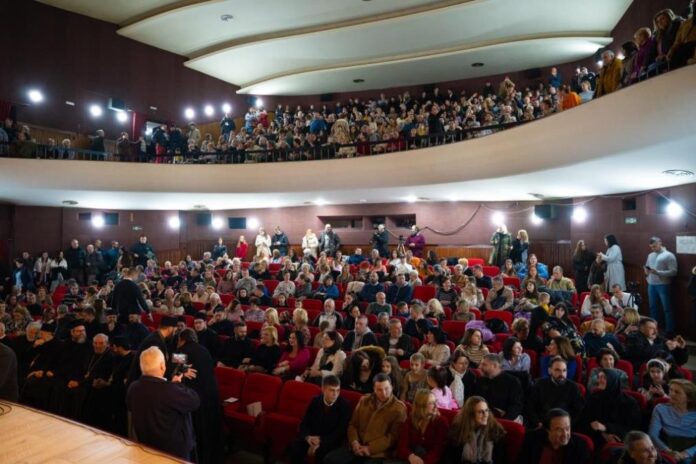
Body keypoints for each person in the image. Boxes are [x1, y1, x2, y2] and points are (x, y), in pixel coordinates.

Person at [126, 346, 200, 460]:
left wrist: (172, 386)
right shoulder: (170, 390)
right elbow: (195, 401)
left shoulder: (133, 387)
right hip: (173, 453)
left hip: (146, 447)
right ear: (162, 366)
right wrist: (177, 385)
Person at [324, 373, 407, 463]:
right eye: (379, 390)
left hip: (376, 454)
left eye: (386, 389)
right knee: (329, 460)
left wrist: (369, 448)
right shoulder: (364, 400)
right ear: (374, 389)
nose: (383, 393)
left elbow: (392, 437)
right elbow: (353, 424)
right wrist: (354, 442)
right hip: (355, 447)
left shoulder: (399, 408)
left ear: (391, 387)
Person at [175, 328, 224, 464]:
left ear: (182, 340)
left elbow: (173, 370)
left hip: (195, 396)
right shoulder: (204, 349)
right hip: (211, 395)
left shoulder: (181, 351)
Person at [289, 375, 352, 464]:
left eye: (338, 390)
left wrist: (321, 441)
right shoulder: (315, 401)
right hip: (311, 438)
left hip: (330, 441)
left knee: (322, 454)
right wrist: (308, 438)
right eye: (332, 390)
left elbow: (340, 431)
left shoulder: (345, 405)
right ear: (323, 389)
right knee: (295, 447)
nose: (335, 394)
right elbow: (304, 423)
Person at [579, 368, 641, 450]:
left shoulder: (629, 403)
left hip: (619, 437)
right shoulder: (594, 398)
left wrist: (606, 427)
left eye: (604, 377)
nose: (600, 380)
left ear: (613, 380)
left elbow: (632, 427)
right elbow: (585, 419)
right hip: (595, 436)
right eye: (599, 377)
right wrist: (604, 434)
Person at [444, 396, 506, 464]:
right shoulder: (458, 429)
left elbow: (501, 460)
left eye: (486, 410)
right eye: (480, 412)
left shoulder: (496, 431)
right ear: (470, 414)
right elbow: (449, 458)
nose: (485, 415)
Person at [527, 356, 584, 429]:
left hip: (565, 426)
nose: (562, 374)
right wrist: (537, 422)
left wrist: (568, 425)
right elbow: (530, 406)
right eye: (557, 370)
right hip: (542, 425)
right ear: (549, 371)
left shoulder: (573, 387)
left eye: (564, 370)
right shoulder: (539, 384)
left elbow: (579, 411)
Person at [518, 409, 591, 464]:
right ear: (547, 430)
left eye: (567, 428)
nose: (565, 434)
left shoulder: (580, 446)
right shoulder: (531, 439)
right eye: (559, 430)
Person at [649, 379, 696, 463]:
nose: (671, 394)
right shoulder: (660, 409)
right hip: (667, 446)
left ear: (689, 398)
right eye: (670, 390)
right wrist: (668, 451)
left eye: (677, 392)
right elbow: (653, 435)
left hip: (692, 448)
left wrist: (686, 453)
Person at [396, 389, 448, 464]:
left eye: (436, 401)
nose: (436, 406)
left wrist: (423, 462)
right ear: (421, 406)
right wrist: (411, 456)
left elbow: (438, 450)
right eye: (431, 403)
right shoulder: (410, 420)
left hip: (431, 461)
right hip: (412, 459)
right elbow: (402, 446)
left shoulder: (441, 422)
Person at [472, 353, 524, 421]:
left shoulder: (512, 381)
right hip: (483, 416)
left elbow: (516, 406)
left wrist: (504, 420)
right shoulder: (480, 380)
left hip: (505, 419)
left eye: (484, 364)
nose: (480, 367)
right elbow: (475, 400)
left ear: (495, 365)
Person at [645, 237, 678, 334]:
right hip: (651, 284)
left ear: (660, 243)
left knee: (667, 309)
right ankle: (653, 330)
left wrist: (658, 272)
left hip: (663, 285)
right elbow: (647, 266)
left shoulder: (669, 255)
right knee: (653, 308)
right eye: (651, 247)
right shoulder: (650, 255)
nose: (653, 249)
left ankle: (670, 331)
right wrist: (646, 271)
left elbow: (674, 272)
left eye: (654, 246)